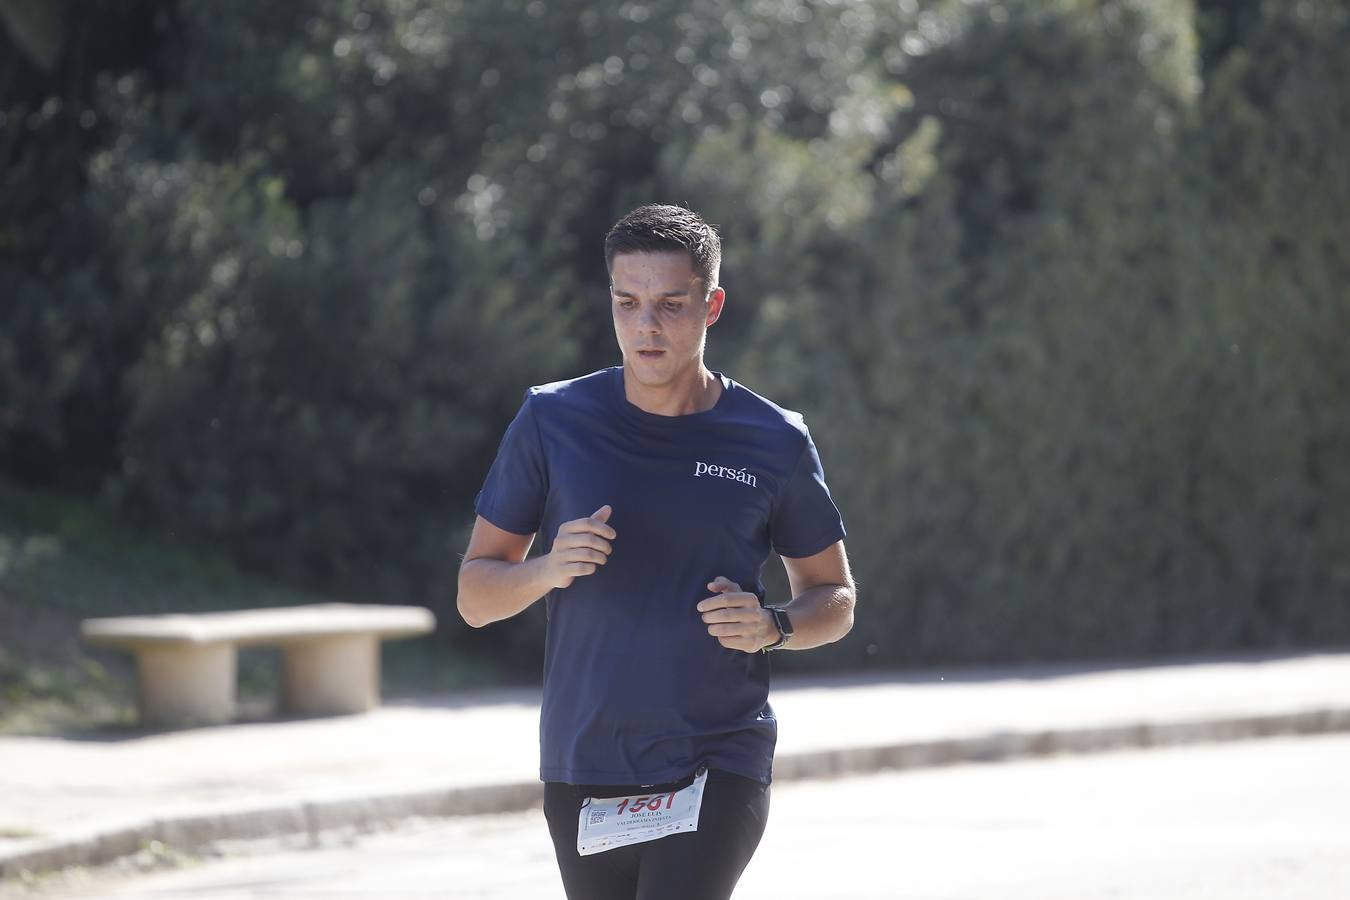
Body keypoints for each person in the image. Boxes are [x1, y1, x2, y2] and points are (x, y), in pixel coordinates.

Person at [457, 203, 856, 900]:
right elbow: (474, 597)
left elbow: (836, 597)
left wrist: (774, 625)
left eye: (670, 305)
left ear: (712, 306)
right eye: (627, 303)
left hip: (718, 757)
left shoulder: (773, 439)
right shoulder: (552, 419)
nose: (646, 326)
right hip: (584, 761)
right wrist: (548, 569)